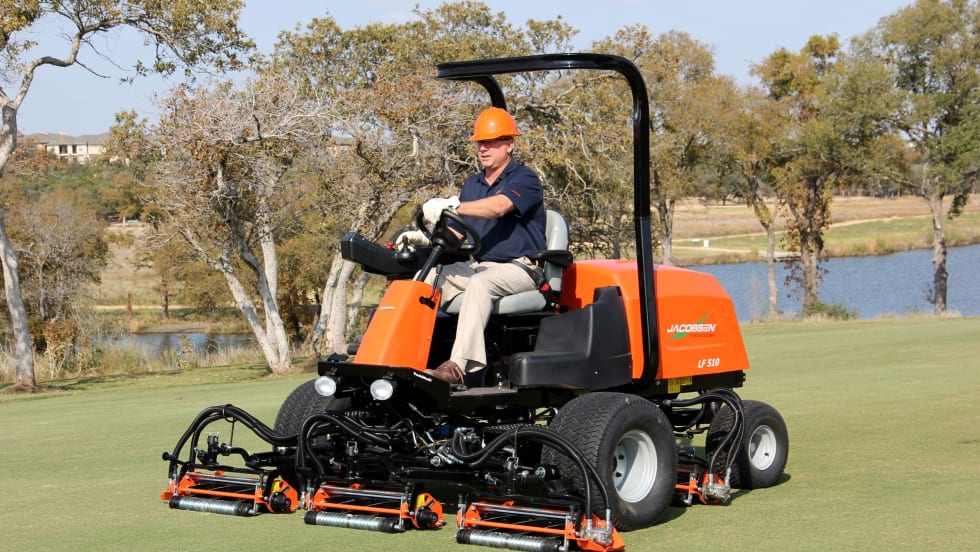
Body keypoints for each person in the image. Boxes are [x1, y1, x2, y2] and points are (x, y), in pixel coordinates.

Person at [397, 107, 546, 385]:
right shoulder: (472, 184)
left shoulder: (524, 178)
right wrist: (424, 237)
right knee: (426, 278)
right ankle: (401, 357)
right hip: (479, 266)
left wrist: (452, 205)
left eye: (491, 142)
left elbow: (498, 207)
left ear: (509, 145)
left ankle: (457, 367)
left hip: (521, 268)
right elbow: (458, 232)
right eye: (480, 143)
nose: (483, 148)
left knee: (480, 284)